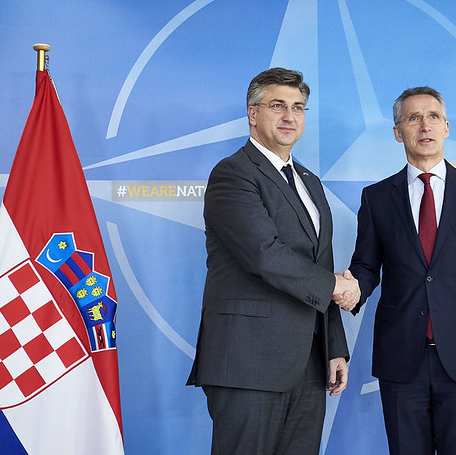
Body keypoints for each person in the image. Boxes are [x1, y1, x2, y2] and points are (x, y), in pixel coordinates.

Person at [187, 67, 359, 455]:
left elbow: (320, 260)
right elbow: (265, 253)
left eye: (298, 107)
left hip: (308, 365)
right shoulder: (232, 173)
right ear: (253, 113)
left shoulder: (309, 180)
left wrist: (334, 346)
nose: (289, 116)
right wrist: (337, 285)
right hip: (247, 361)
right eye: (277, 105)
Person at [345, 86, 456, 454]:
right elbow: (367, 266)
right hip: (402, 359)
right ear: (397, 132)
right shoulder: (376, 198)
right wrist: (353, 287)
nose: (425, 126)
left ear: (447, 127)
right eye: (413, 118)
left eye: (433, 117)